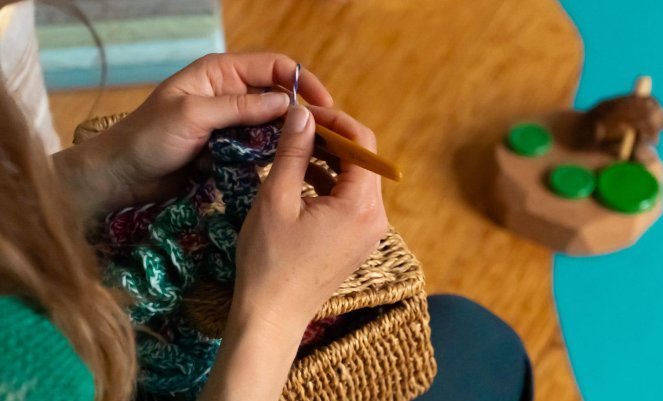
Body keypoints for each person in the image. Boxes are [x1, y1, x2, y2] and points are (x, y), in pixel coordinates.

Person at [0, 18, 532, 401]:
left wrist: (96, 172)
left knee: (470, 333)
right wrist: (273, 315)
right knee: (485, 349)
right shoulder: (34, 368)